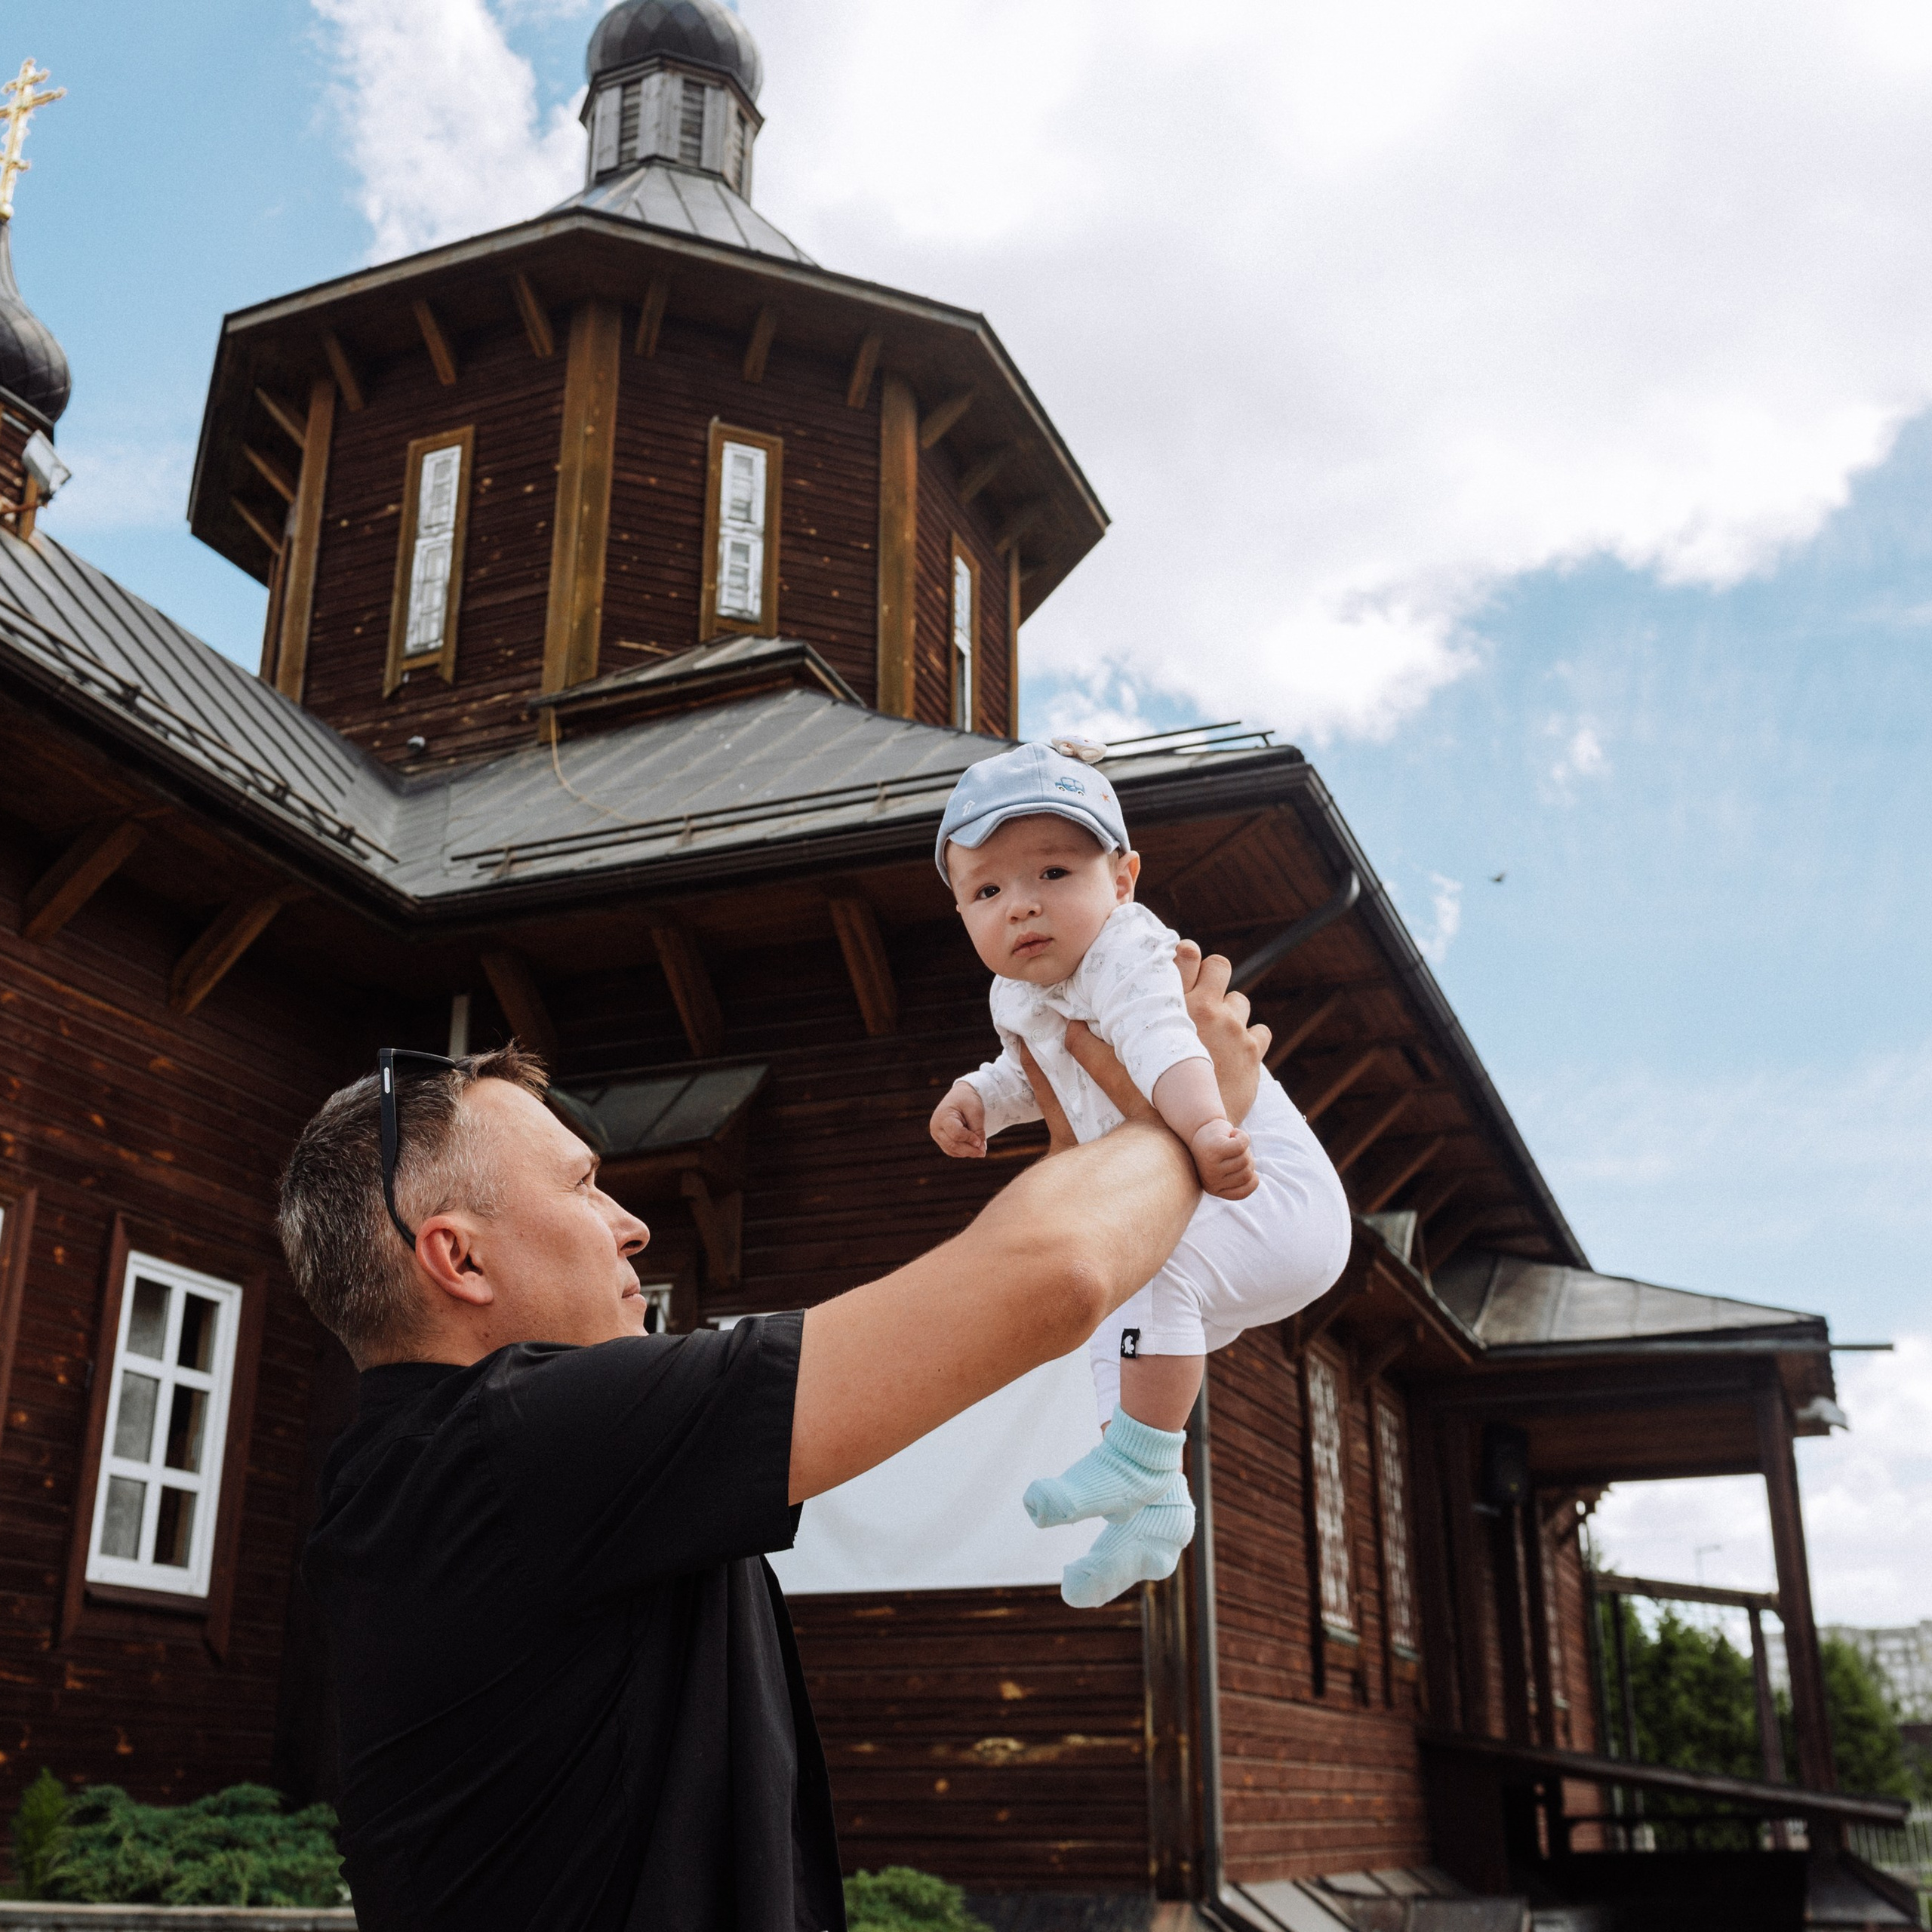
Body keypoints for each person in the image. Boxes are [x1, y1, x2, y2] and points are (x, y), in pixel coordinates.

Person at [276, 947, 1268, 1932]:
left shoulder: (441, 1475)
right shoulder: (519, 1442)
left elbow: (1031, 1286)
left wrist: (1090, 1149)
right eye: (582, 1186)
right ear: (459, 1257)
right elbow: (1056, 1274)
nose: (632, 1227)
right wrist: (1191, 1122)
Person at [928, 739, 1352, 1607]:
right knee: (1103, 1285)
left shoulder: (1125, 953)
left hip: (1272, 1202)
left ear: (1121, 881)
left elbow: (1167, 1043)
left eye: (1052, 872)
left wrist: (1204, 1128)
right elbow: (1029, 1070)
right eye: (987, 890)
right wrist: (975, 1095)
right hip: (1200, 1212)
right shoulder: (1020, 995)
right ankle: (1149, 1505)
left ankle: (1136, 1457)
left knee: (1139, 1260)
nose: (1021, 907)